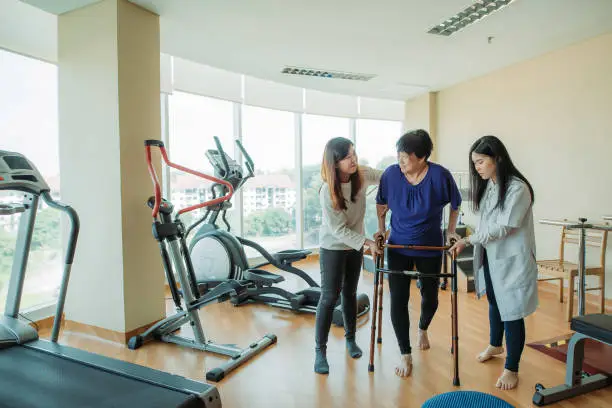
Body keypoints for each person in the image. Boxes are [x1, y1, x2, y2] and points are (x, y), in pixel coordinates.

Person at [449, 135, 537, 390]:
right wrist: (472, 238)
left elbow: (504, 227)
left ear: (497, 158)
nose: (477, 168)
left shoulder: (518, 188)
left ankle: (512, 368)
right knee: (494, 301)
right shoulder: (491, 185)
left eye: (481, 162)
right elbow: (487, 224)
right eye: (474, 163)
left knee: (512, 312)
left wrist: (468, 240)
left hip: (511, 260)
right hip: (491, 254)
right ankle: (495, 344)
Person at [375, 129, 462, 378]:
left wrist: (451, 231)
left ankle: (423, 327)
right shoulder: (391, 174)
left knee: (431, 297)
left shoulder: (439, 175)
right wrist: (382, 230)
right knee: (398, 299)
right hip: (398, 246)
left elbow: (456, 203)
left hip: (430, 245)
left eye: (405, 156)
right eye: (398, 155)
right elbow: (381, 203)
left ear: (422, 157)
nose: (400, 161)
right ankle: (405, 353)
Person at [315, 137, 384, 375]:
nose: (353, 159)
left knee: (350, 293)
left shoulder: (362, 174)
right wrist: (367, 244)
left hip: (353, 246)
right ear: (335, 163)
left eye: (354, 153)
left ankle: (350, 339)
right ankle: (320, 351)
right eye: (346, 157)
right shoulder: (328, 191)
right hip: (333, 246)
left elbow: (385, 176)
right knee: (328, 298)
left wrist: (409, 172)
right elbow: (338, 230)